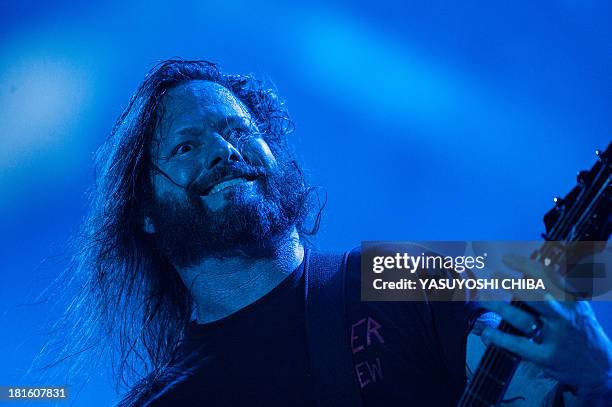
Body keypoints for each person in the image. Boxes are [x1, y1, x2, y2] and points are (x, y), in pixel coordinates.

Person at [58, 59, 611, 406]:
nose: (225, 151)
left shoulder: (402, 273)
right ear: (146, 215)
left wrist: (598, 376)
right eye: (186, 146)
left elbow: (528, 390)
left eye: (239, 131)